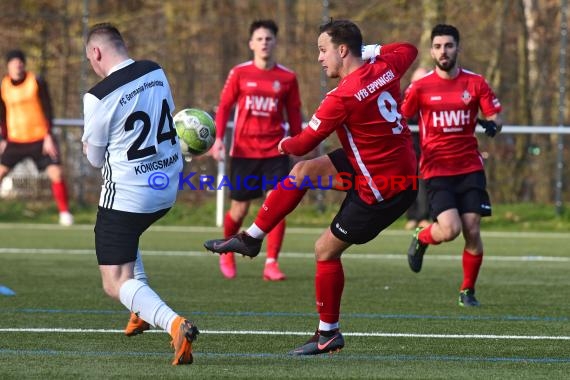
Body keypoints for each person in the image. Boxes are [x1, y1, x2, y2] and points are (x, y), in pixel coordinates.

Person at [205, 19, 418, 355]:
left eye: (323, 50)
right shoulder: (386, 65)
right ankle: (251, 239)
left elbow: (304, 141)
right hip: (390, 168)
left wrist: (283, 144)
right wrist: (371, 51)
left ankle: (327, 334)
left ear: (342, 50)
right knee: (303, 172)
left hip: (382, 189)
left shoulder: (342, 96)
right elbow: (409, 49)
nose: (319, 58)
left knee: (324, 250)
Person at [81, 23, 198, 365]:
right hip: (166, 187)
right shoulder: (154, 70)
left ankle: (173, 324)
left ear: (96, 53)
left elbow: (93, 159)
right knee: (129, 238)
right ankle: (140, 310)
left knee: (114, 282)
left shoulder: (97, 95)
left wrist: (89, 143)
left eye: (90, 59)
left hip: (130, 196)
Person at [401, 24, 503, 307]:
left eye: (448, 46)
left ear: (458, 48)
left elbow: (495, 115)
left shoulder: (475, 83)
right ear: (432, 51)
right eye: (437, 47)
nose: (443, 52)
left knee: (472, 229)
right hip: (436, 169)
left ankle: (467, 291)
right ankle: (422, 237)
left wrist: (492, 126)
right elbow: (400, 119)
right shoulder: (420, 87)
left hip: (469, 168)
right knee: (449, 230)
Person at [209, 19, 303, 281]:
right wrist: (218, 139)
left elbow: (294, 113)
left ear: (275, 43)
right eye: (259, 39)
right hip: (243, 152)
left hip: (276, 152)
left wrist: (298, 144)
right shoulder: (239, 72)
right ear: (251, 44)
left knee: (277, 205)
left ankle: (271, 263)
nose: (264, 43)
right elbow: (225, 106)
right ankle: (227, 251)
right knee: (239, 210)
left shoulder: (287, 77)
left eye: (269, 39)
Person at [0, 49, 73, 226]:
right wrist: (3, 138)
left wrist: (49, 135)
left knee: (56, 173)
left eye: (20, 62)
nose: (18, 65)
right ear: (8, 65)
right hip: (15, 140)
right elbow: (2, 114)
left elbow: (48, 110)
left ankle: (65, 213)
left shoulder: (36, 81)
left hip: (40, 139)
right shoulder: (4, 85)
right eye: (14, 62)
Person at [404, 67, 430, 230]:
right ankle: (412, 216)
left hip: (427, 145)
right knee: (409, 180)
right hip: (409, 145)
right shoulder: (405, 96)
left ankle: (424, 216)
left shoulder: (430, 98)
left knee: (425, 181)